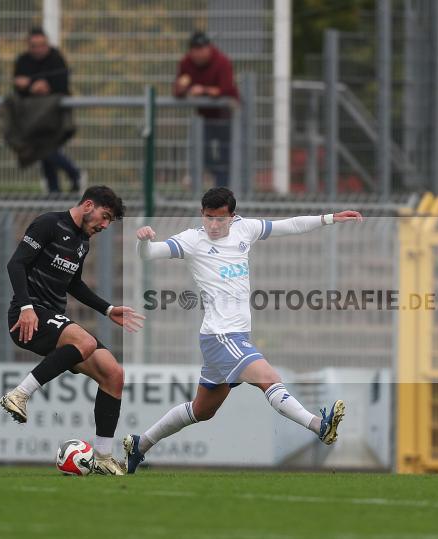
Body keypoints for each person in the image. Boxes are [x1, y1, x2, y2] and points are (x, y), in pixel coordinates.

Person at [122, 187, 362, 473]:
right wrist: (143, 242)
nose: (213, 225)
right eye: (208, 217)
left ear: (232, 216)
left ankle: (140, 444)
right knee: (269, 378)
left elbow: (290, 225)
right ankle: (319, 426)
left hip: (229, 338)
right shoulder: (191, 240)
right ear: (202, 214)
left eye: (219, 219)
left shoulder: (244, 229)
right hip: (222, 335)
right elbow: (149, 255)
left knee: (202, 410)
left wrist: (330, 218)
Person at [0, 185, 143, 475]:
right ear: (88, 205)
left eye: (109, 221)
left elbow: (73, 284)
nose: (104, 225)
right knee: (85, 340)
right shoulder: (48, 224)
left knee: (113, 373)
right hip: (28, 315)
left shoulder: (82, 242)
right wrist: (26, 307)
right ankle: (19, 395)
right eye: (104, 217)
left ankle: (102, 457)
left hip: (52, 317)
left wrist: (107, 309)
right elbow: (15, 264)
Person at [12, 26, 82, 193]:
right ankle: (60, 186)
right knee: (44, 152)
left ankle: (68, 178)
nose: (38, 49)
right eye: (34, 46)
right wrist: (31, 86)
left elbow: (62, 84)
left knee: (45, 150)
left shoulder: (56, 58)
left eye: (42, 45)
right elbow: (18, 85)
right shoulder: (23, 60)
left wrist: (45, 87)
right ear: (28, 46)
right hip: (32, 116)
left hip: (53, 115)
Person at [173, 31, 239, 187]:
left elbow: (226, 90)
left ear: (209, 48)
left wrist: (203, 91)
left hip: (226, 116)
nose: (199, 53)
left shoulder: (222, 62)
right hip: (204, 117)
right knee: (202, 153)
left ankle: (225, 193)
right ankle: (215, 182)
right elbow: (177, 90)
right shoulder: (186, 63)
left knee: (226, 156)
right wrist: (184, 90)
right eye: (195, 49)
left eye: (202, 48)